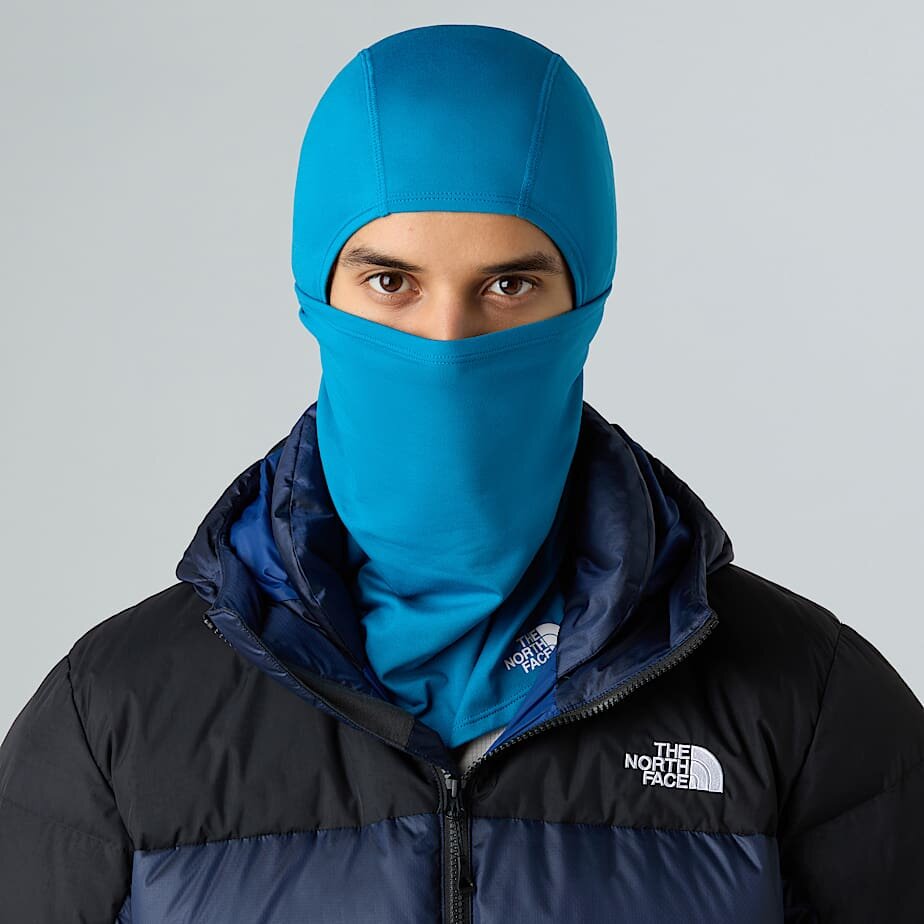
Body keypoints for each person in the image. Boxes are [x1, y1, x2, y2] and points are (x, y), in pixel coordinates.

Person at [1, 22, 922, 924]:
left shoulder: (808, 705)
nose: (446, 344)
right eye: (390, 283)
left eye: (509, 286)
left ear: (588, 298)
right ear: (316, 292)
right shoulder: (112, 717)